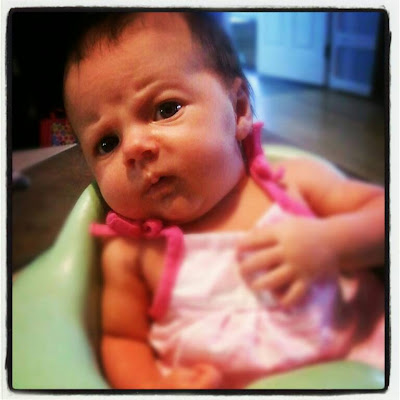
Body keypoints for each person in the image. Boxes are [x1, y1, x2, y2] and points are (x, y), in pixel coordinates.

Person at [63, 12, 385, 389]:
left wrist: (332, 244)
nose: (133, 148)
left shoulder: (290, 183)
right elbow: (123, 341)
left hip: (356, 366)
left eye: (165, 109)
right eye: (107, 143)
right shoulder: (130, 253)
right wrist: (155, 385)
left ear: (238, 110)